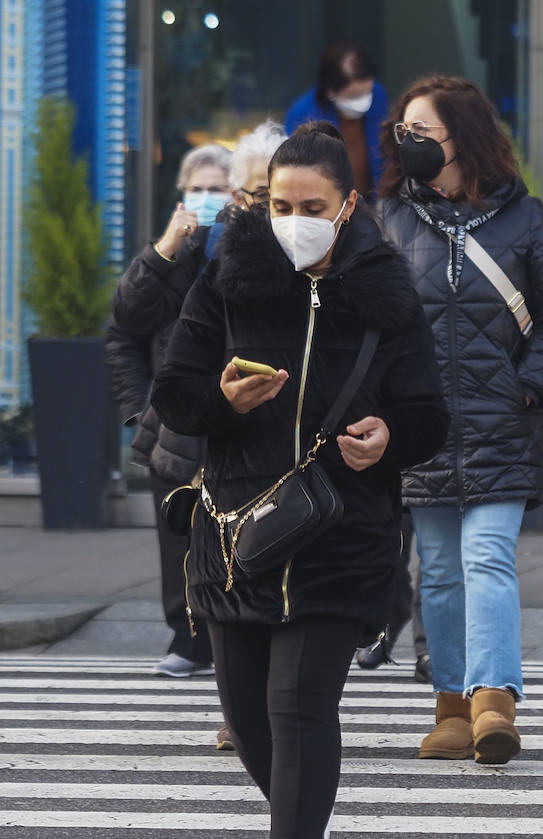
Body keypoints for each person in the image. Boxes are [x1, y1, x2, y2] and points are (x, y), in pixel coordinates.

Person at [151, 122, 447, 838]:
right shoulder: (229, 282)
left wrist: (389, 437)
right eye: (281, 205)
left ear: (347, 207)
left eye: (312, 208)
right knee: (251, 725)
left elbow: (428, 415)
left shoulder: (386, 294)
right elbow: (174, 392)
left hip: (340, 533)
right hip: (236, 536)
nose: (293, 222)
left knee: (298, 709)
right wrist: (222, 401)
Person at [376, 76, 543, 765]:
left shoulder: (524, 218)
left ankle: (495, 700)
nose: (410, 145)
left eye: (422, 133)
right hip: (424, 427)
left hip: (500, 420)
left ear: (462, 136)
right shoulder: (389, 218)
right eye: (403, 133)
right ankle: (451, 706)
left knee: (486, 558)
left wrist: (528, 384)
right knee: (435, 569)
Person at [107, 125, 286, 750]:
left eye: (271, 195)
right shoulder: (190, 252)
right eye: (247, 193)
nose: (252, 206)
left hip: (264, 443)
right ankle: (228, 693)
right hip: (187, 439)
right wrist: (145, 414)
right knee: (205, 575)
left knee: (255, 572)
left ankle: (259, 705)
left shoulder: (302, 253)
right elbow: (125, 324)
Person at [106, 142, 232, 682]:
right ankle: (188, 637)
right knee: (176, 537)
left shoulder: (246, 251)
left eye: (217, 188)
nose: (205, 199)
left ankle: (234, 637)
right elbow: (124, 327)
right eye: (196, 188)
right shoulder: (164, 254)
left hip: (231, 416)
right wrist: (142, 411)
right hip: (173, 426)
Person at [285, 41, 389, 197]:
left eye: (367, 92)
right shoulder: (302, 114)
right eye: (353, 96)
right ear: (330, 91)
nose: (363, 101)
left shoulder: (379, 96)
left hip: (374, 204)